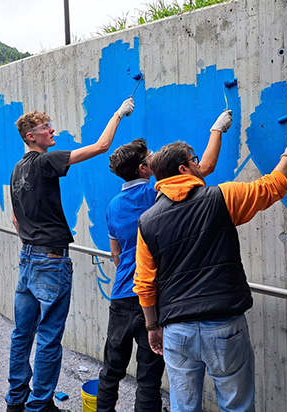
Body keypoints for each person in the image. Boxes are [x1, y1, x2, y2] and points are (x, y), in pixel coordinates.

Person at [133, 139, 287, 412]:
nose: (199, 163)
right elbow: (271, 187)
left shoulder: (147, 221)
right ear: (184, 169)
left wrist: (153, 328)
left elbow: (144, 284)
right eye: (194, 159)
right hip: (223, 325)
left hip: (176, 330)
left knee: (184, 407)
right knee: (235, 405)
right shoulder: (221, 197)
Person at [97, 110, 232, 412]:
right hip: (151, 301)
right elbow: (204, 168)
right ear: (145, 168)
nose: (156, 155)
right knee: (148, 379)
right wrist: (216, 129)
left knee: (111, 371)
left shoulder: (112, 206)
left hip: (120, 298)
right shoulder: (155, 192)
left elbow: (116, 254)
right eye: (151, 155)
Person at [6, 97, 135, 412]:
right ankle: (39, 406)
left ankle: (16, 400)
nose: (52, 131)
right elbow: (102, 146)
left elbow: (15, 218)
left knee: (22, 333)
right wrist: (119, 113)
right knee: (49, 335)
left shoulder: (17, 169)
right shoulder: (44, 162)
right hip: (50, 260)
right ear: (30, 137)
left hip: (28, 258)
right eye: (44, 128)